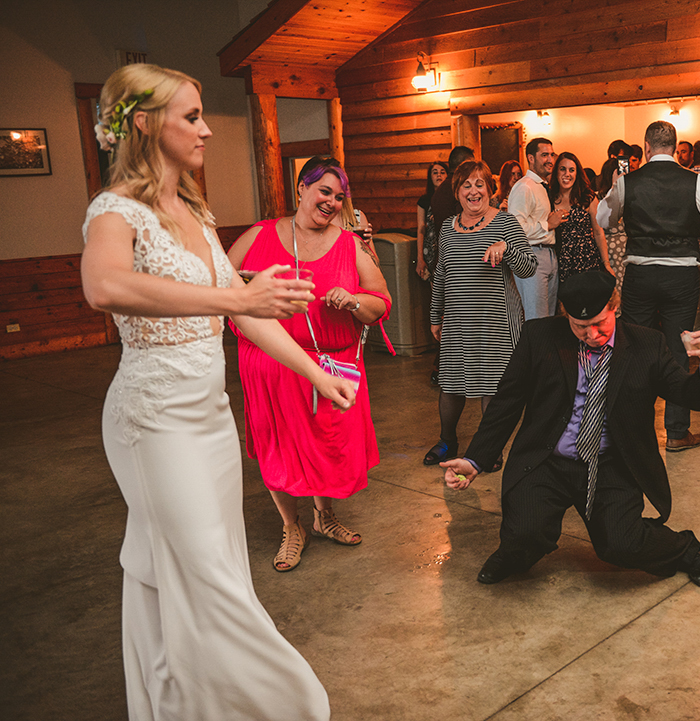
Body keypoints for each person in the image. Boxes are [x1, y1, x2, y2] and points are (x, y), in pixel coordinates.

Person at [80, 63, 352, 720]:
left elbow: (247, 313)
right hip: (153, 422)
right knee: (207, 574)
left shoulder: (195, 214)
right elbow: (103, 286)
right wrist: (234, 294)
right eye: (192, 116)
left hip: (210, 419)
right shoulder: (114, 210)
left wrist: (318, 375)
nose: (206, 129)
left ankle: (174, 702)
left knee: (188, 570)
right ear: (144, 124)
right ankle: (290, 706)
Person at [440, 271, 700, 586]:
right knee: (523, 532)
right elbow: (506, 403)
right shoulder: (539, 337)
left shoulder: (648, 345)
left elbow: (690, 396)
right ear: (566, 316)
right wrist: (475, 459)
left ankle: (684, 548)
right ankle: (514, 553)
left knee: (620, 545)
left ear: (614, 306)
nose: (592, 334)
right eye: (580, 327)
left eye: (600, 323)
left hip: (610, 462)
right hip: (548, 458)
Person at [228, 156, 392, 572]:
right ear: (301, 187)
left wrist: (352, 300)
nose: (333, 203)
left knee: (327, 447)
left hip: (332, 369)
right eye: (325, 192)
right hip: (270, 367)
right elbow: (221, 288)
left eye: (340, 197)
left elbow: (380, 303)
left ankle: (324, 516)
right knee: (278, 449)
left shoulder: (348, 243)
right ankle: (291, 526)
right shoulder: (259, 235)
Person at [597, 120, 700, 452]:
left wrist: (616, 189)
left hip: (640, 275)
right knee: (678, 351)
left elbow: (604, 221)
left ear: (647, 146)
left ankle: (633, 428)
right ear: (674, 146)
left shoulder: (628, 181)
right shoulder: (696, 183)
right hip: (681, 278)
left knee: (635, 350)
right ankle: (677, 432)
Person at [424, 160, 538, 466]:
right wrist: (436, 316)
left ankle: (489, 448)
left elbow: (529, 267)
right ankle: (448, 441)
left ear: (490, 189)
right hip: (459, 321)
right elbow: (441, 276)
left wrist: (507, 249)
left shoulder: (506, 223)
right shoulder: (448, 228)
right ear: (457, 192)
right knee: (451, 385)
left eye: (479, 184)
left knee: (492, 387)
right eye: (466, 185)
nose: (473, 192)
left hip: (498, 320)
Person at [508, 137, 562, 320]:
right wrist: (548, 224)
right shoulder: (524, 187)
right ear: (531, 158)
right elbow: (514, 229)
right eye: (544, 155)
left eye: (552, 155)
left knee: (549, 317)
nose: (550, 160)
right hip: (532, 255)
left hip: (549, 255)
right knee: (537, 319)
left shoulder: (543, 186)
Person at [549, 151, 611, 282]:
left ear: (577, 174)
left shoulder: (588, 197)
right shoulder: (549, 198)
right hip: (561, 263)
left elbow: (599, 233)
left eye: (571, 170)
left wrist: (606, 263)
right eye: (562, 169)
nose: (567, 174)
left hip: (588, 260)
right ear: (556, 172)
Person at [597, 157, 628, 297]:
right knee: (617, 288)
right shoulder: (601, 198)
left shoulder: (600, 197)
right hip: (612, 248)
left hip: (614, 249)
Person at [416, 160, 449, 280]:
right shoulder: (424, 200)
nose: (439, 175)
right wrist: (420, 258)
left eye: (442, 172)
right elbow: (421, 229)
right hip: (430, 249)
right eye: (435, 172)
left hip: (447, 245)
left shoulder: (453, 198)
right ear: (430, 177)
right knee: (435, 288)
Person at [431, 145, 475, 234]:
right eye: (471, 165)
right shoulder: (458, 188)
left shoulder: (441, 189)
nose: (473, 168)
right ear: (464, 165)